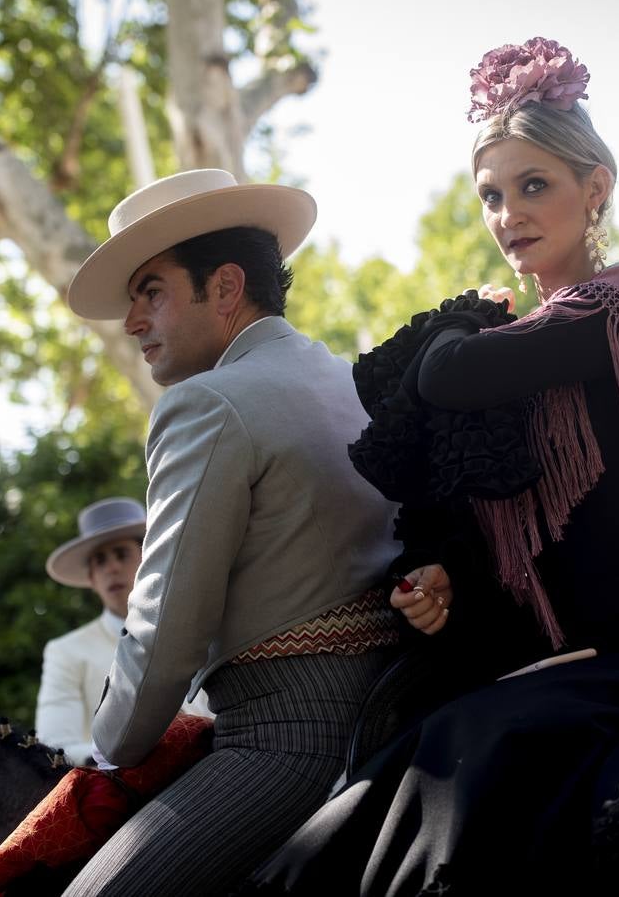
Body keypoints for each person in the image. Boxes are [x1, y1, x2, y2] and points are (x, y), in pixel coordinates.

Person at [244, 37, 619, 895]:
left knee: (466, 746)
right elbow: (554, 518)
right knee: (413, 743)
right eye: (492, 194)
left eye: (535, 186)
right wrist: (447, 577)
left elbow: (448, 375)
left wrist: (458, 317)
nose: (508, 214)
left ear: (594, 187)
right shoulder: (548, 338)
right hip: (586, 657)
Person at [57, 169, 402, 896]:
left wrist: (108, 747)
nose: (131, 321)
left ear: (224, 287)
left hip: (288, 742)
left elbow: (164, 636)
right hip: (397, 709)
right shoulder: (353, 379)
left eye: (151, 290)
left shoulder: (206, 404)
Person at [39, 497, 211, 768]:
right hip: (125, 799)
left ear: (152, 558)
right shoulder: (66, 651)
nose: (112, 568)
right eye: (100, 561)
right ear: (92, 579)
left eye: (121, 554)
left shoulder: (204, 625)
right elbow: (53, 747)